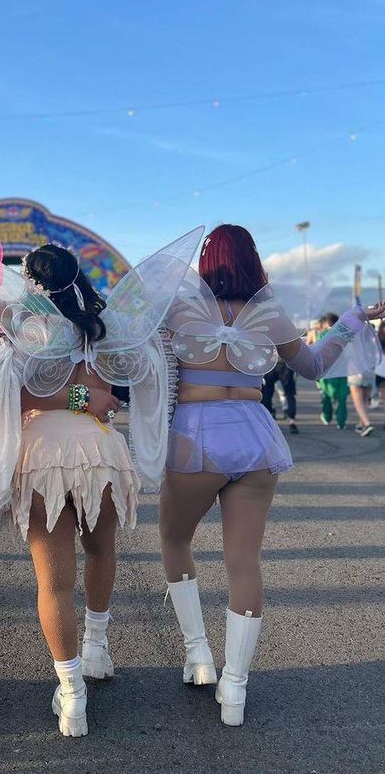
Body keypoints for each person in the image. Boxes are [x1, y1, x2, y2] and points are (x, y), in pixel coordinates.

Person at [0, 233, 190, 738]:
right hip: (100, 451)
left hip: (43, 453)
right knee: (102, 551)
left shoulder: (28, 328)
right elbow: (117, 386)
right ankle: (96, 648)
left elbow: (19, 395)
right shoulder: (103, 324)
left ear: (32, 281)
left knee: (53, 580)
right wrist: (88, 398)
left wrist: (72, 397)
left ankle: (71, 694)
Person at [160, 225, 385, 727]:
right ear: (252, 261)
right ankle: (234, 689)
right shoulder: (270, 314)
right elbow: (314, 364)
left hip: (195, 439)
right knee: (245, 561)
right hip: (254, 436)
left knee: (175, 540)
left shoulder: (179, 308)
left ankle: (198, 655)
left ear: (207, 260)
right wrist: (350, 320)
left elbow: (134, 357)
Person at [317, 314, 350, 430]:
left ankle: (327, 416)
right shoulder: (345, 335)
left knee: (326, 395)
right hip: (343, 370)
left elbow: (318, 353)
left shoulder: (322, 335)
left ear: (327, 323)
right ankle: (341, 422)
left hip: (327, 370)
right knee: (342, 398)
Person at [261, 361, 298, 434]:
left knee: (267, 393)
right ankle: (291, 420)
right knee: (289, 393)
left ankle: (269, 415)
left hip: (271, 364)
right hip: (285, 363)